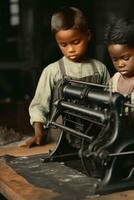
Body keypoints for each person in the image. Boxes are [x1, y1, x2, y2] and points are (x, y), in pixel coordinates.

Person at [23, 7, 110, 148]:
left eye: (76, 42)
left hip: (92, 140)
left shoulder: (99, 69)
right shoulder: (52, 71)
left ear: (88, 35)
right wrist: (38, 133)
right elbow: (39, 106)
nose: (70, 49)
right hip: (57, 141)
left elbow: (109, 103)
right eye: (63, 44)